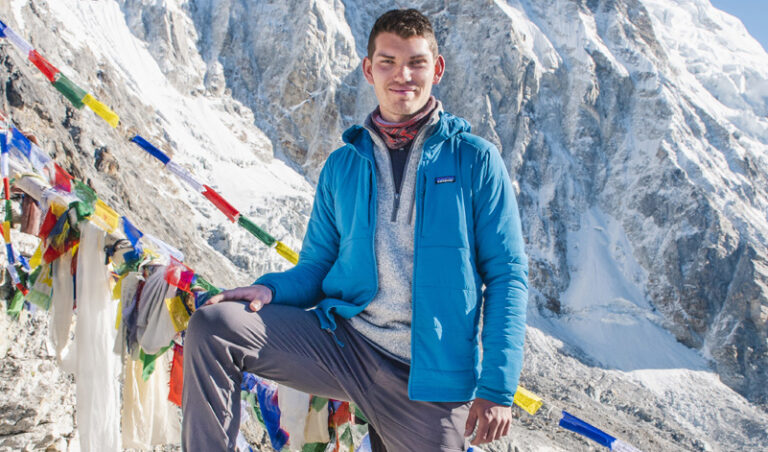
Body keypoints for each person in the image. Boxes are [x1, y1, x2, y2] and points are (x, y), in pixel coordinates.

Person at [182, 8, 528, 452]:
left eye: (416, 62)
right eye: (387, 62)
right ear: (368, 69)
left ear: (437, 69)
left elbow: (507, 277)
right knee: (215, 326)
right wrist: (270, 290)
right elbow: (315, 268)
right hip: (344, 347)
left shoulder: (475, 161)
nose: (402, 75)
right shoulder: (342, 165)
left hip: (427, 379)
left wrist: (497, 389)